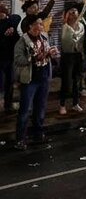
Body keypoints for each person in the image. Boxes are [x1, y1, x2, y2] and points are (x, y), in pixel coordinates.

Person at [12, 15, 58, 149]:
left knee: (41, 107)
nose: (41, 26)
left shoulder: (43, 37)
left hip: (44, 77)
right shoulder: (22, 42)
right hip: (30, 79)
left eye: (41, 23)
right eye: (38, 23)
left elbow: (46, 53)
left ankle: (38, 134)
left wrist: (51, 54)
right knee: (25, 109)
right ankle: (20, 139)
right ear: (30, 26)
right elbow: (18, 60)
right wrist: (32, 58)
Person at [58, 0, 86, 115]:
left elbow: (81, 40)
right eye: (71, 11)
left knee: (77, 80)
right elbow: (67, 40)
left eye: (75, 11)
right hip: (67, 56)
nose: (73, 13)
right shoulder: (65, 27)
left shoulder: (81, 25)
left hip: (78, 55)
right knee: (66, 82)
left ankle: (75, 103)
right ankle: (62, 104)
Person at [0, 0, 22, 114]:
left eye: (5, 9)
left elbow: (17, 17)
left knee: (10, 81)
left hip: (10, 57)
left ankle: (8, 104)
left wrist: (12, 28)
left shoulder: (11, 21)